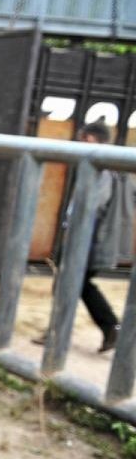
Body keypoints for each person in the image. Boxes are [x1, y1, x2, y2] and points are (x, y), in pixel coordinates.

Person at [35, 121, 133, 353]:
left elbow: (94, 203)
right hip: (89, 236)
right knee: (75, 283)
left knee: (73, 283)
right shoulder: (109, 166)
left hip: (88, 238)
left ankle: (101, 327)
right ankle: (102, 328)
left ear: (89, 139)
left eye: (82, 139)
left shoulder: (103, 168)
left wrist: (74, 227)